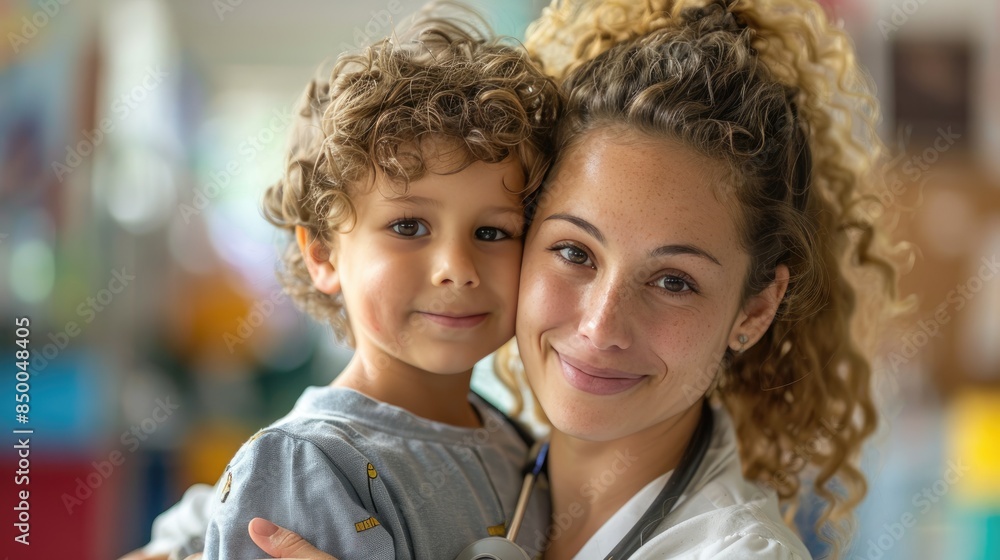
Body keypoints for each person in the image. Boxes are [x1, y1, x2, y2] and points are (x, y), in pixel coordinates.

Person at [128, 0, 903, 558]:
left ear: (757, 307)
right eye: (573, 252)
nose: (600, 326)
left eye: (673, 281)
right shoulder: (505, 462)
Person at [124, 8, 561, 560]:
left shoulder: (517, 443)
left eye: (493, 231)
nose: (458, 266)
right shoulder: (303, 466)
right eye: (408, 226)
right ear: (324, 254)